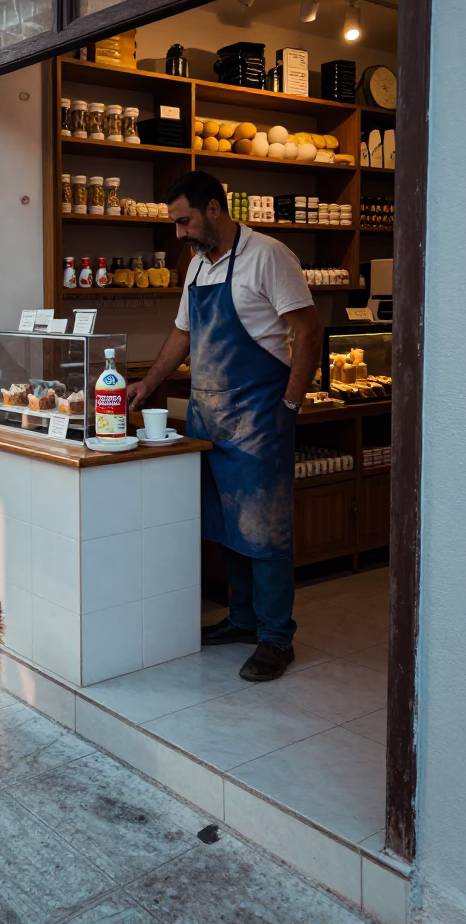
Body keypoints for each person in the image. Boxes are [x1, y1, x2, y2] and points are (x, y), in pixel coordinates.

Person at [128, 172, 323, 682]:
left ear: (214, 209)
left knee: (267, 533)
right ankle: (242, 620)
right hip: (208, 420)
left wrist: (292, 401)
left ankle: (276, 637)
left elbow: (308, 328)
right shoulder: (196, 266)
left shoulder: (268, 256)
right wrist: (147, 386)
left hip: (260, 416)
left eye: (184, 220)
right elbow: (182, 333)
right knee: (228, 528)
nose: (179, 233)